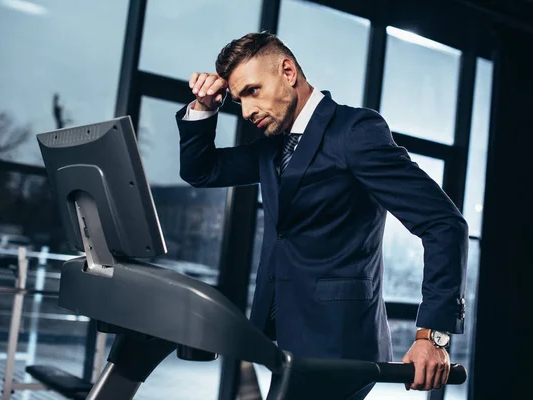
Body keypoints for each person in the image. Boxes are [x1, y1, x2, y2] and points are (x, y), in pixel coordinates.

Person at [176, 32, 468, 398]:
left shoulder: (355, 133)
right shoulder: (272, 147)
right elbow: (202, 171)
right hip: (288, 340)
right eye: (238, 100)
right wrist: (204, 108)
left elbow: (444, 223)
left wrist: (433, 336)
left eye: (252, 91)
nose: (247, 110)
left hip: (341, 343)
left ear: (287, 71)